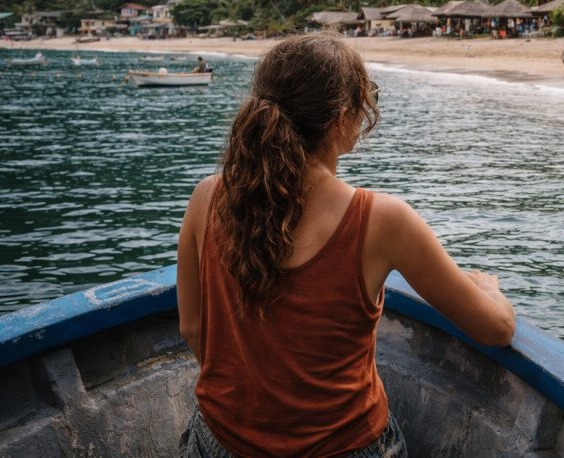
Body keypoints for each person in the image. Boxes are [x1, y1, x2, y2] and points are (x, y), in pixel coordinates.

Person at [176, 33, 515, 457]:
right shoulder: (382, 220)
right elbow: (495, 328)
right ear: (341, 118)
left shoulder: (206, 197)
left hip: (221, 441)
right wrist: (490, 289)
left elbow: (192, 328)